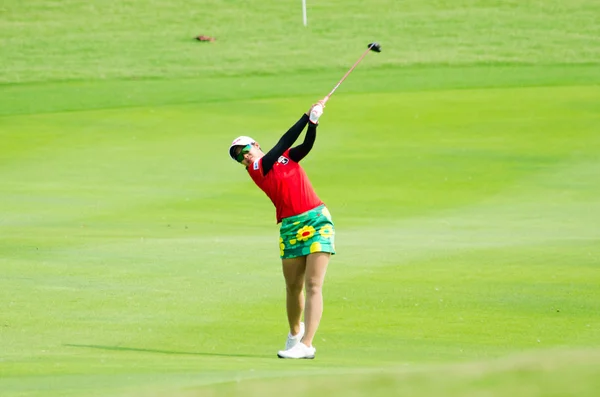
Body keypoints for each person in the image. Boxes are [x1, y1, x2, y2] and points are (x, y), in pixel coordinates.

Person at [228, 100, 335, 359]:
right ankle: (294, 334)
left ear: (255, 145)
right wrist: (305, 117)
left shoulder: (286, 158)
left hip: (317, 220)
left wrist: (313, 123)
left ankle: (307, 344)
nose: (243, 156)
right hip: (290, 227)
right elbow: (281, 144)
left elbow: (305, 146)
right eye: (238, 157)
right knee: (293, 287)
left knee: (313, 284)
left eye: (244, 149)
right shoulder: (257, 168)